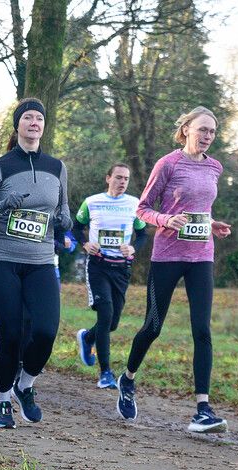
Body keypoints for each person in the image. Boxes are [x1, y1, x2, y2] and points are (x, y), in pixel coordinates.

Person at [115, 106, 232, 433]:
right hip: (167, 255)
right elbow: (143, 208)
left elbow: (201, 210)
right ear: (186, 130)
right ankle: (127, 378)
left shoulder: (215, 168)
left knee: (202, 330)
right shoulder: (168, 164)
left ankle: (202, 410)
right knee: (153, 326)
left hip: (201, 255)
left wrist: (212, 225)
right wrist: (166, 220)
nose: (207, 136)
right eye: (202, 130)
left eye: (212, 131)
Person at [0, 98, 72, 429]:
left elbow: (63, 209)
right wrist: (3, 204)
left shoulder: (57, 167)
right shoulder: (0, 166)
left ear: (44, 126)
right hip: (2, 259)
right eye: (27, 117)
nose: (34, 122)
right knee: (11, 333)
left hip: (41, 260)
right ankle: (2, 402)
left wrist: (65, 219)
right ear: (17, 126)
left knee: (45, 330)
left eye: (39, 118)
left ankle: (25, 384)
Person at [72, 164, 147, 389]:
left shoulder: (135, 204)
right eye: (118, 177)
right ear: (108, 178)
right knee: (105, 315)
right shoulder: (92, 202)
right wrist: (86, 243)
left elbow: (143, 234)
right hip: (98, 266)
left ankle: (87, 338)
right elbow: (76, 228)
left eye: (126, 178)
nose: (123, 182)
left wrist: (133, 248)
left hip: (121, 268)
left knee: (112, 322)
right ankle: (106, 373)